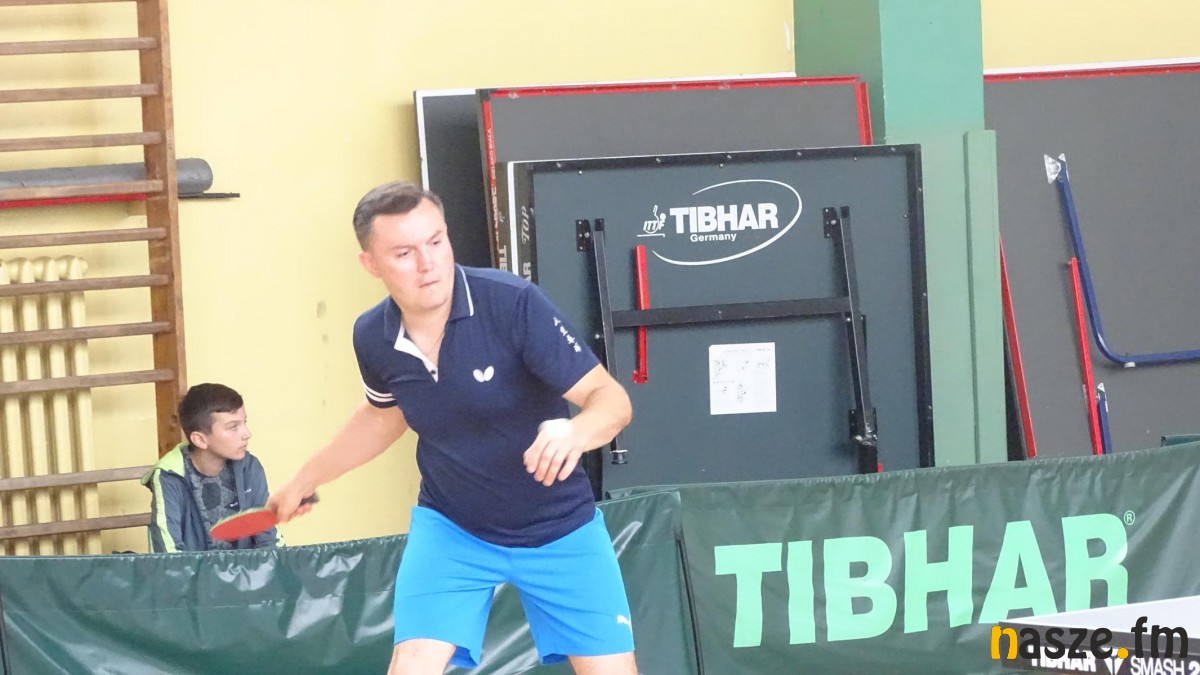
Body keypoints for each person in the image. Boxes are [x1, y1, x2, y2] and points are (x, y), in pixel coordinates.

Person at [268, 181, 638, 675]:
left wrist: (576, 432)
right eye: (404, 253)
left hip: (560, 528)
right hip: (452, 529)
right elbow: (383, 416)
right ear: (371, 264)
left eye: (436, 241)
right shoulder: (372, 336)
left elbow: (611, 400)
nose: (428, 263)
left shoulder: (513, 304)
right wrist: (305, 479)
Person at [142, 383, 278, 552]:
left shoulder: (249, 467)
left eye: (244, 423)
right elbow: (166, 553)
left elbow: (270, 540)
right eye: (233, 427)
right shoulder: (169, 476)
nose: (247, 434)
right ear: (200, 440)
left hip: (247, 569)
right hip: (191, 570)